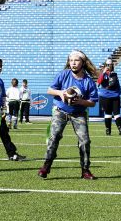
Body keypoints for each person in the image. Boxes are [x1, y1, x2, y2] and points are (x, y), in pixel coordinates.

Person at [38, 50, 100, 180]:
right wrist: (60, 93)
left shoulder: (88, 81)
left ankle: (85, 170)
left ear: (82, 62)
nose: (73, 63)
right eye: (71, 60)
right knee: (53, 137)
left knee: (85, 140)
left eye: (76, 60)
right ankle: (46, 166)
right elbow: (49, 90)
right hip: (60, 111)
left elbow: (93, 102)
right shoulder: (63, 74)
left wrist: (81, 101)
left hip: (78, 113)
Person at [96, 59, 121, 135]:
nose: (109, 66)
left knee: (117, 113)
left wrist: (120, 93)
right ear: (105, 65)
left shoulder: (114, 74)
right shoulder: (102, 74)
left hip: (115, 95)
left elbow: (116, 84)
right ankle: (108, 130)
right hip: (105, 96)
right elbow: (98, 83)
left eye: (110, 65)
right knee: (108, 113)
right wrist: (103, 72)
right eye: (107, 65)